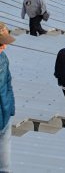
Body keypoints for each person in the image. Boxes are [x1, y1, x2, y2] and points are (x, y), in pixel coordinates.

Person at [0, 22, 13, 171]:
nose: (5, 46)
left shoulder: (4, 58)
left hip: (5, 111)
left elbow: (8, 83)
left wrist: (11, 107)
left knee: (5, 163)